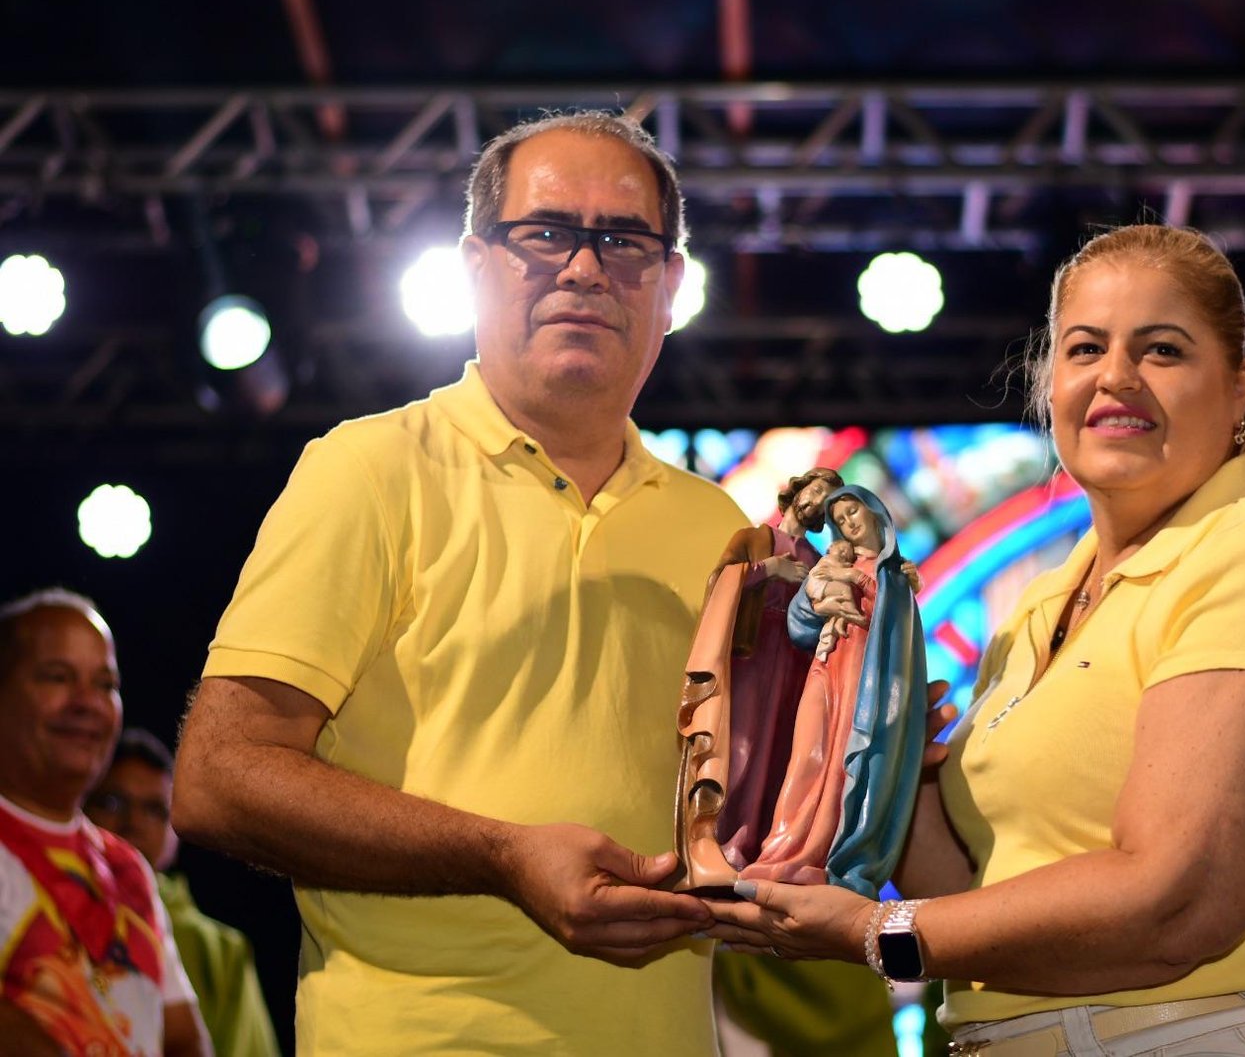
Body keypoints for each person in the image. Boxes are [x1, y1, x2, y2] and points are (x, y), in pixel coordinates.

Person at [706, 224, 1245, 1056]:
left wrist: (874, 931)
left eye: (1163, 350)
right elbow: (980, 899)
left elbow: (1176, 902)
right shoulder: (1039, 606)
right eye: (1085, 347)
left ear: (1239, 383)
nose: (1116, 377)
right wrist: (886, 751)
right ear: (1051, 380)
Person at [171, 111, 751, 1055]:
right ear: (477, 263)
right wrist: (503, 857)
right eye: (546, 232)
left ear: (672, 284)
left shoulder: (721, 529)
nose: (583, 267)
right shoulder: (367, 468)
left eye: (624, 240)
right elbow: (217, 777)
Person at [0, 588, 210, 1057]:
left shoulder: (129, 868)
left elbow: (182, 1037)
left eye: (105, 684)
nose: (87, 703)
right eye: (58, 676)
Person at [741, 486, 927, 898]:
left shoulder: (895, 575)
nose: (848, 523)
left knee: (848, 768)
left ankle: (829, 857)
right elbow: (798, 624)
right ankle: (782, 851)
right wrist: (815, 605)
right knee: (806, 756)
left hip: (866, 688)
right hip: (827, 669)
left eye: (852, 513)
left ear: (875, 513)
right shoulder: (829, 564)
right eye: (840, 520)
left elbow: (897, 640)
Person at [86, 729, 281, 1057]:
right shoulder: (42, 903)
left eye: (154, 810)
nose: (133, 821)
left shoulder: (219, 951)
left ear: (176, 833)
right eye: (112, 802)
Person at [713, 466, 844, 869]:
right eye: (816, 491)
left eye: (827, 501)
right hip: (752, 651)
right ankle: (719, 838)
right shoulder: (756, 539)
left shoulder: (818, 559)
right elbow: (720, 580)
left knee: (777, 750)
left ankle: (754, 842)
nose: (817, 502)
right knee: (742, 744)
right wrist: (770, 569)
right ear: (799, 491)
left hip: (792, 659)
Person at [806, 538, 866, 661]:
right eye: (842, 549)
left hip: (822, 586)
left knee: (843, 592)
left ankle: (841, 620)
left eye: (847, 555)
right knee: (845, 590)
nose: (844, 554)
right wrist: (847, 567)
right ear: (831, 547)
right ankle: (852, 612)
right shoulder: (827, 559)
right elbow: (836, 567)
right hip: (818, 584)